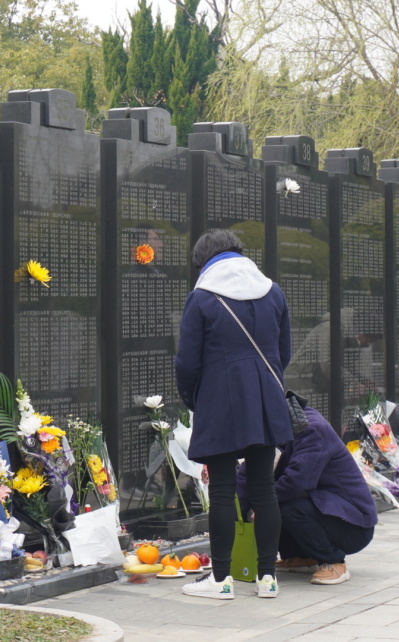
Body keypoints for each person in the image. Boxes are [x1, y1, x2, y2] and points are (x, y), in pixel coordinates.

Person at [174, 229, 293, 600]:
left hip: (220, 400)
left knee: (223, 492)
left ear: (203, 262)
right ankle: (267, 578)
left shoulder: (202, 297)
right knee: (264, 489)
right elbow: (283, 351)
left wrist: (194, 399)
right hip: (265, 399)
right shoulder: (273, 292)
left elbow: (187, 362)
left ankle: (222, 580)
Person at [237, 406, 377, 585]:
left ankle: (334, 561)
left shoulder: (312, 430)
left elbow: (296, 483)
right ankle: (301, 557)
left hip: (352, 526)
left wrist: (261, 505)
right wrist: (235, 516)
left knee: (284, 507)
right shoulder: (277, 425)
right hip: (323, 510)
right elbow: (248, 473)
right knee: (274, 504)